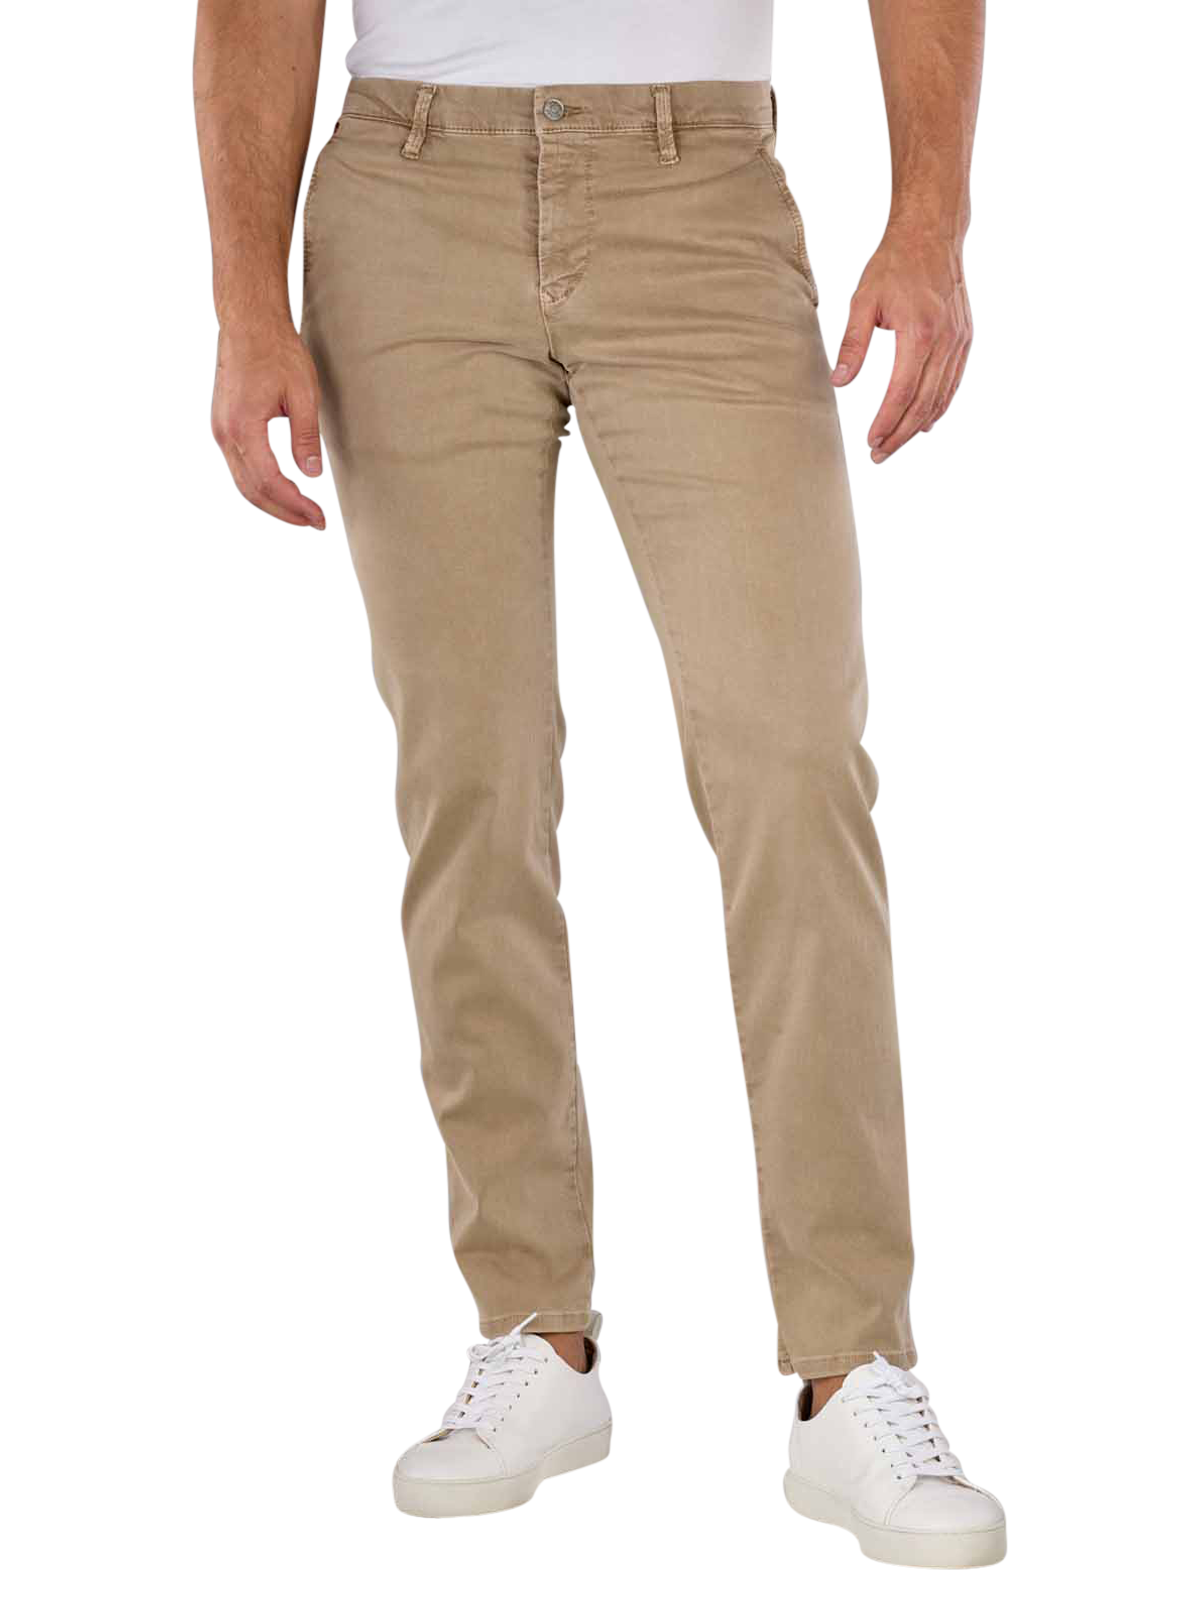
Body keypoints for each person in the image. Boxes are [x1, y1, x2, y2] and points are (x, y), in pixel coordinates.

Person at [196, 0, 1004, 1560]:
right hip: (400, 196)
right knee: (469, 772)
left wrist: (925, 227)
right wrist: (245, 304)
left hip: (695, 181)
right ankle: (533, 1332)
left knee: (792, 759)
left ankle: (853, 1369)